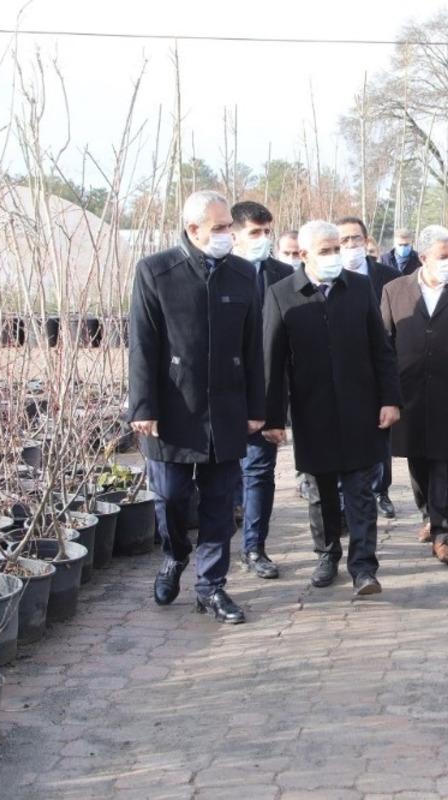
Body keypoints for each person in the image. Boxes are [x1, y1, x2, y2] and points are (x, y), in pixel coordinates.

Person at [128, 189, 264, 624]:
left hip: (226, 409)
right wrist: (143, 406)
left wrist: (259, 406)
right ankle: (174, 555)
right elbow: (142, 345)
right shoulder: (156, 272)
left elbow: (254, 345)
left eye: (229, 226)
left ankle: (211, 586)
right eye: (220, 228)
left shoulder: (243, 275)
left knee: (220, 504)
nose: (229, 234)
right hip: (172, 409)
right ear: (193, 229)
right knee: (169, 497)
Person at [262, 220, 401, 596]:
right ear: (304, 255)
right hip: (313, 412)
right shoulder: (281, 294)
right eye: (325, 251)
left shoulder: (357, 288)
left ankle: (364, 568)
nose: (334, 256)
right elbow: (271, 361)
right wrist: (274, 418)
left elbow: (381, 348)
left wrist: (390, 398)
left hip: (361, 408)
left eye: (336, 248)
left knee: (360, 492)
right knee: (321, 492)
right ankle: (327, 554)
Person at [380, 225, 448, 565]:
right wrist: (386, 392)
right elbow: (384, 342)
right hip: (410, 391)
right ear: (423, 258)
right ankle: (427, 515)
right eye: (442, 256)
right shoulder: (395, 290)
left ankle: (444, 533)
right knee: (419, 459)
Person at [229, 201, 293, 580]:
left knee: (259, 471)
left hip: (266, 392)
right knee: (222, 477)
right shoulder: (217, 273)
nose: (263, 240)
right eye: (255, 232)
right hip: (221, 393)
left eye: (267, 232)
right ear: (234, 234)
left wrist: (277, 409)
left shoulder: (283, 275)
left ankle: (254, 547)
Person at [336, 215, 402, 520]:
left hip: (379, 365)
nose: (351, 245)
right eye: (344, 240)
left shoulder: (387, 276)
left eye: (356, 238)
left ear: (366, 240)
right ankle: (342, 495)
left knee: (381, 434)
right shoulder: (327, 278)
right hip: (342, 371)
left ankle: (381, 491)